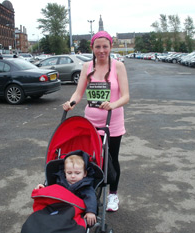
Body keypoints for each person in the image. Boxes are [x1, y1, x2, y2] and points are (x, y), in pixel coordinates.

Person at [63, 31, 130, 212]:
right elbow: (78, 93)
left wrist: (113, 104)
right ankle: (89, 192)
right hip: (90, 122)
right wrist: (71, 103)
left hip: (112, 122)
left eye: (105, 46)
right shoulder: (87, 67)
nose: (102, 50)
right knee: (90, 159)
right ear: (92, 48)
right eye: (98, 47)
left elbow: (126, 96)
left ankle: (113, 195)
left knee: (111, 159)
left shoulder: (118, 66)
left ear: (110, 47)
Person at [35, 152, 97, 226]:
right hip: (59, 207)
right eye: (69, 173)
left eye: (77, 173)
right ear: (65, 173)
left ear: (84, 174)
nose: (73, 176)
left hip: (76, 211)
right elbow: (53, 190)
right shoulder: (60, 181)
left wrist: (90, 211)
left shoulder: (85, 186)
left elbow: (91, 198)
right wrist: (44, 188)